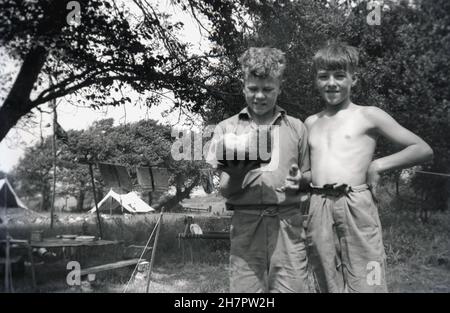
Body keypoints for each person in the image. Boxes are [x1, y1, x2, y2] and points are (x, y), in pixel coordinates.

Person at [305, 42, 434, 293]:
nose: (332, 83)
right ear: (316, 80)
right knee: (326, 279)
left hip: (355, 203)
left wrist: (379, 164)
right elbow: (310, 172)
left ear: (354, 79)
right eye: (324, 76)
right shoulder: (310, 123)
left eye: (340, 76)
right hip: (318, 206)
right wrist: (294, 178)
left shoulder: (369, 115)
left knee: (368, 279)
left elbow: (422, 149)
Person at [206, 47, 312, 293]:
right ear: (243, 87)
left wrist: (301, 181)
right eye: (253, 89)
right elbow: (227, 192)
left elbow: (308, 175)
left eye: (268, 89)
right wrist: (237, 174)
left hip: (288, 224)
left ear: (279, 88)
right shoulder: (225, 129)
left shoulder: (297, 128)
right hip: (246, 224)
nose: (260, 96)